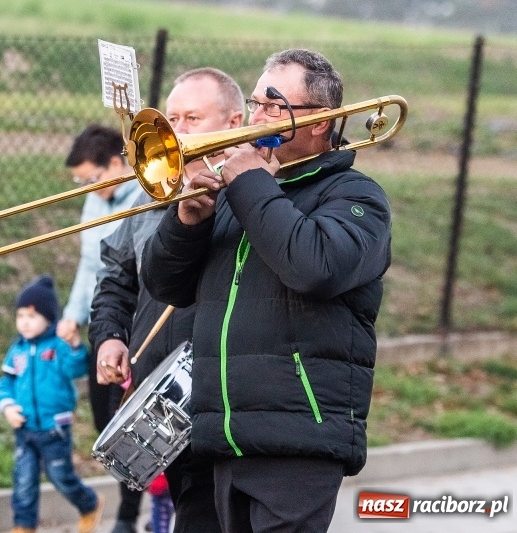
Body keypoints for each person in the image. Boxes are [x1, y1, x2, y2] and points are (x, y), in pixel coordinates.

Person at [136, 48, 392, 532]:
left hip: (296, 437)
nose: (257, 118)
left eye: (275, 106)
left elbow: (314, 267)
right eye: (256, 103)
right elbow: (167, 286)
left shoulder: (356, 197)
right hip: (220, 436)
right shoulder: (240, 195)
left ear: (320, 120)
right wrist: (187, 221)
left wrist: (252, 184)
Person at [89, 67, 243, 533]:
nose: (177, 130)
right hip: (167, 402)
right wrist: (110, 335)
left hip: (230, 403)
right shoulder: (151, 194)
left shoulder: (257, 192)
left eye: (192, 118)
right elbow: (115, 275)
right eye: (171, 118)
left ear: (234, 123)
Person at [55, 125, 142, 528]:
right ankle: (131, 499)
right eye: (82, 182)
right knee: (106, 423)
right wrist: (74, 314)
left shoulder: (144, 194)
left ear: (116, 164)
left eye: (92, 179)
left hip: (139, 325)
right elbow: (90, 265)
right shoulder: (95, 199)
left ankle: (130, 513)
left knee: (132, 423)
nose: (88, 189)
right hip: (104, 324)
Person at [0, 275, 104, 533]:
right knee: (23, 481)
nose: (24, 322)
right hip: (25, 429)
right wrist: (7, 406)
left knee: (61, 477)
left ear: (48, 318)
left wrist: (75, 345)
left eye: (32, 316)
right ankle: (23, 526)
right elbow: (5, 384)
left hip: (55, 428)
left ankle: (89, 504)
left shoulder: (58, 346)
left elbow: (77, 368)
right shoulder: (17, 350)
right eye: (20, 315)